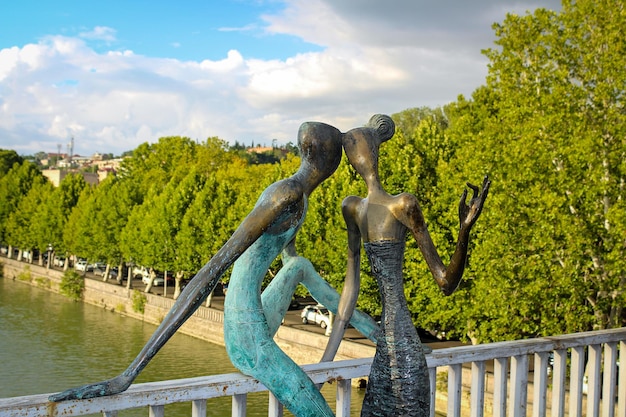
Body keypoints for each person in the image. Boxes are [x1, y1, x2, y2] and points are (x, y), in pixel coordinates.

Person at [49, 120, 378, 417]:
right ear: (326, 159)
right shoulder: (285, 194)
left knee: (299, 266)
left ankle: (377, 334)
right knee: (317, 410)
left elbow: (286, 257)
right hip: (245, 329)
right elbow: (212, 271)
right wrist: (128, 375)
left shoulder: (299, 197)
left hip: (260, 313)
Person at [325, 114, 490, 416]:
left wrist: (465, 228)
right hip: (384, 352)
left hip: (402, 347)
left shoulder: (402, 204)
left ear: (374, 154)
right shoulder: (352, 208)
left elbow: (446, 283)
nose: (360, 159)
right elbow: (350, 290)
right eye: (354, 153)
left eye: (362, 150)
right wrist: (326, 361)